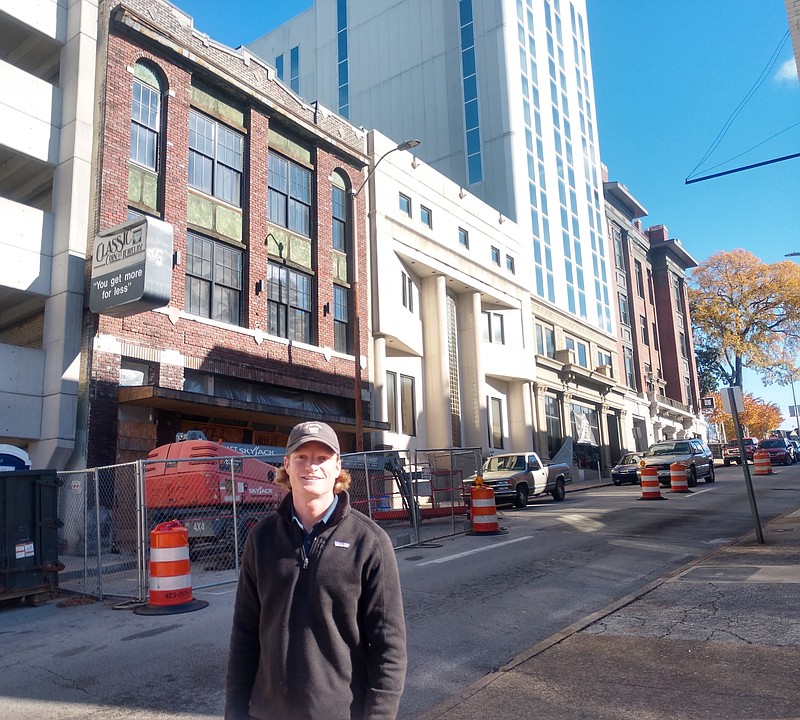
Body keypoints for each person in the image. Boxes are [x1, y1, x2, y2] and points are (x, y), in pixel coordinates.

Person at [225, 420, 407, 720]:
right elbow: (244, 634)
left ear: (337, 466)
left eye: (322, 458)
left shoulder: (370, 541)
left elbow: (389, 648)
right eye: (301, 457)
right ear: (286, 464)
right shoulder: (261, 538)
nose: (312, 466)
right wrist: (234, 712)